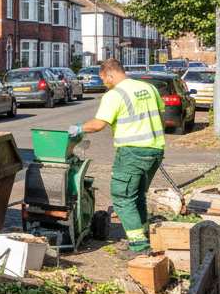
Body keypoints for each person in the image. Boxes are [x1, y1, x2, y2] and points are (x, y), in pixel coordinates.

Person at [70, 58, 166, 253]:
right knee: (138, 195)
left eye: (104, 79)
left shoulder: (115, 95)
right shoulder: (148, 88)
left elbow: (98, 124)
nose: (105, 84)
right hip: (156, 150)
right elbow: (160, 114)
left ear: (111, 74)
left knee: (122, 196)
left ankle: (138, 245)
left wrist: (79, 128)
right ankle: (143, 232)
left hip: (132, 152)